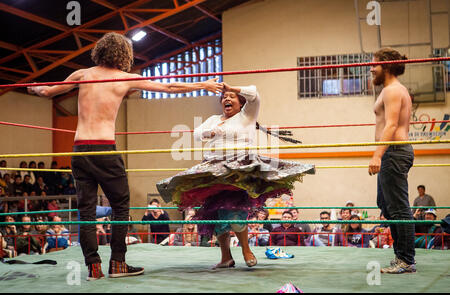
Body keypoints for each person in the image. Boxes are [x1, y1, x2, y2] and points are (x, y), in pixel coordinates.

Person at [28, 32, 222, 280]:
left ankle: (93, 268)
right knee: (120, 206)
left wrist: (31, 87)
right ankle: (118, 263)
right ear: (123, 55)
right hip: (104, 149)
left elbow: (47, 92)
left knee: (86, 211)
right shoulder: (125, 78)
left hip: (79, 150)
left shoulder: (82, 74)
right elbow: (169, 86)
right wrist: (203, 85)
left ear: (100, 51)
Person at [157, 83, 314, 269]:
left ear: (240, 102)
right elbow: (198, 134)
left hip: (238, 171)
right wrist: (212, 131)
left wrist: (231, 87)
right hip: (212, 171)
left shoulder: (246, 116)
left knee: (234, 210)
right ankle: (226, 257)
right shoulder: (214, 118)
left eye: (231, 96)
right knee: (215, 212)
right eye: (224, 97)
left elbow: (255, 94)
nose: (227, 99)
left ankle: (246, 250)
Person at [368, 47, 416, 273]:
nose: (370, 68)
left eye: (374, 64)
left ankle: (406, 260)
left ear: (385, 65)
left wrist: (378, 153)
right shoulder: (389, 90)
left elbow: (391, 125)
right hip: (392, 152)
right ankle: (402, 257)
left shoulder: (393, 90)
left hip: (394, 151)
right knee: (386, 205)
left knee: (398, 208)